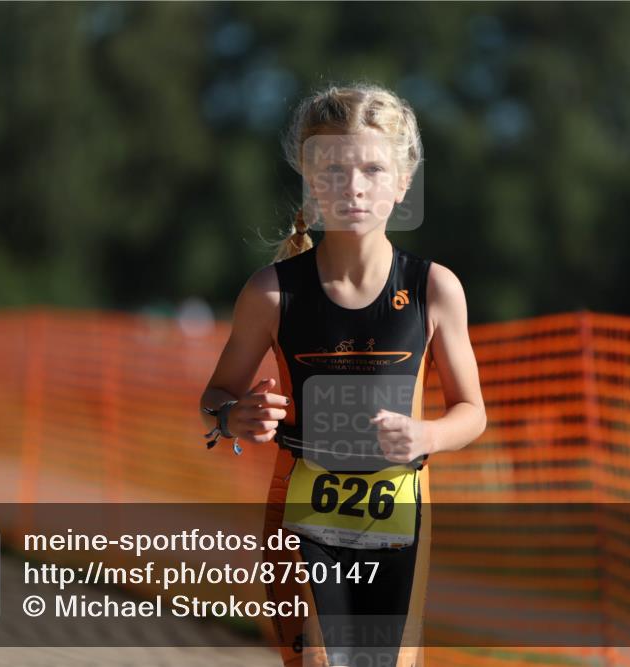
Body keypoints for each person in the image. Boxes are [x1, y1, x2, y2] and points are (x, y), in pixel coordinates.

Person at [200, 82, 486, 667]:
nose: (353, 186)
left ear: (403, 183)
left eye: (373, 170)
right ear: (311, 180)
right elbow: (215, 396)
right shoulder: (271, 293)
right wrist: (234, 416)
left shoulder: (434, 289)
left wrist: (427, 435)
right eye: (333, 169)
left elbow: (472, 412)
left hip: (400, 515)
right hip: (302, 511)